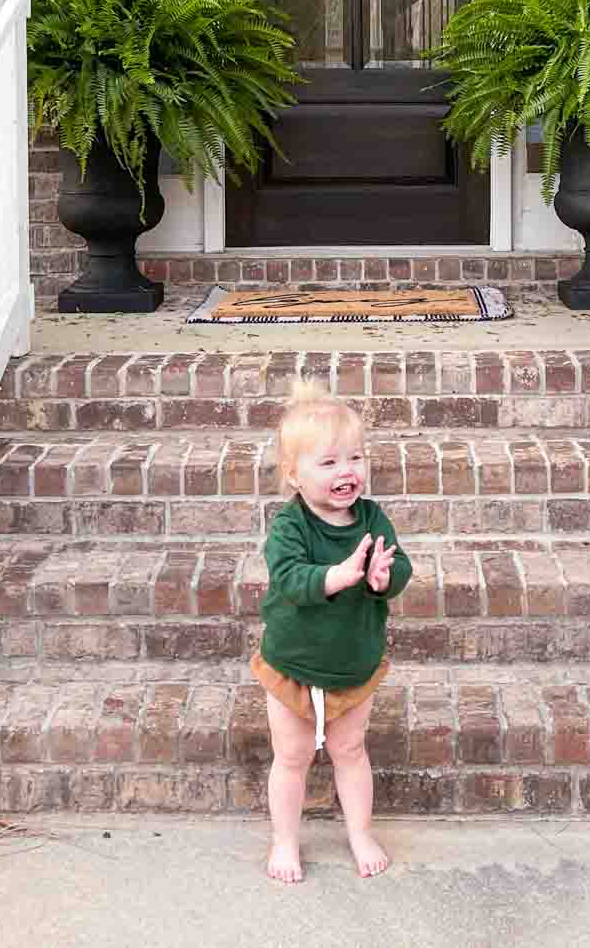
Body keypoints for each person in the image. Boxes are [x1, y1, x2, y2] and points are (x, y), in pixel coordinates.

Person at [251, 378, 412, 883]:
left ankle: (360, 832)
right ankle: (284, 841)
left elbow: (399, 564)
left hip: (353, 660)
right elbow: (291, 579)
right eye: (329, 463)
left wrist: (385, 578)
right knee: (292, 755)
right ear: (294, 476)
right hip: (292, 662)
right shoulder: (290, 527)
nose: (347, 471)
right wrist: (339, 576)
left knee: (350, 750)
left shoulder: (371, 517)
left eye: (356, 458)